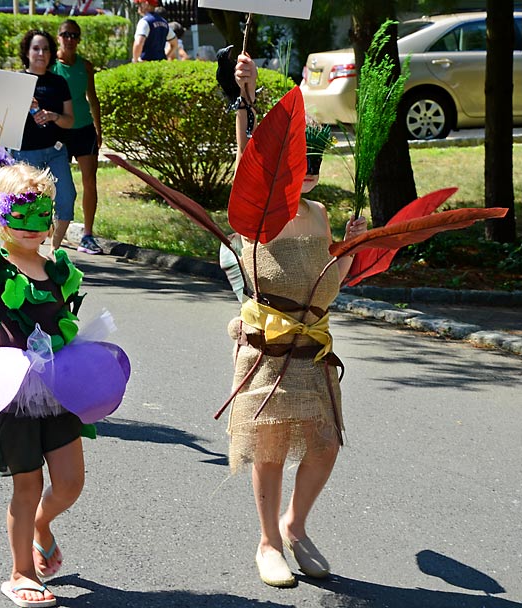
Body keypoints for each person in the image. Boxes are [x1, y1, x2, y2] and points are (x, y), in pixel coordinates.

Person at [0, 157, 129, 608]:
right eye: (19, 214)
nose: (31, 227)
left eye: (40, 215)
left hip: (59, 385)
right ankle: (21, 572)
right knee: (25, 484)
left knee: (70, 482)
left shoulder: (56, 269)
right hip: (14, 389)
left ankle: (41, 527)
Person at [226, 54, 367, 588]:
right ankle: (266, 542)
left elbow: (329, 280)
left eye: (315, 163)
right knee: (269, 447)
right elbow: (250, 160)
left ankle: (294, 526)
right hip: (266, 347)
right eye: (298, 161)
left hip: (313, 349)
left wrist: (352, 248)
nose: (306, 171)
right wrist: (248, 96)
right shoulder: (262, 206)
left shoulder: (321, 214)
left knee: (324, 445)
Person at [12, 29, 75, 251]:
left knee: (66, 198)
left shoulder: (59, 82)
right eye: (36, 48)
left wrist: (53, 116)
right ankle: (28, 253)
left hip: (56, 151)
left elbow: (69, 120)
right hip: (25, 153)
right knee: (28, 205)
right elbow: (3, 120)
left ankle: (53, 252)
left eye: (46, 48)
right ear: (27, 52)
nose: (41, 53)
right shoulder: (17, 80)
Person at [53, 19, 103, 255]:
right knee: (56, 183)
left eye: (74, 35)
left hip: (84, 130)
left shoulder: (86, 66)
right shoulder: (51, 66)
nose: (70, 39)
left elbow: (92, 99)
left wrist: (98, 129)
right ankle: (51, 228)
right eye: (66, 35)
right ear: (58, 37)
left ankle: (88, 235)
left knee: (89, 181)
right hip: (60, 130)